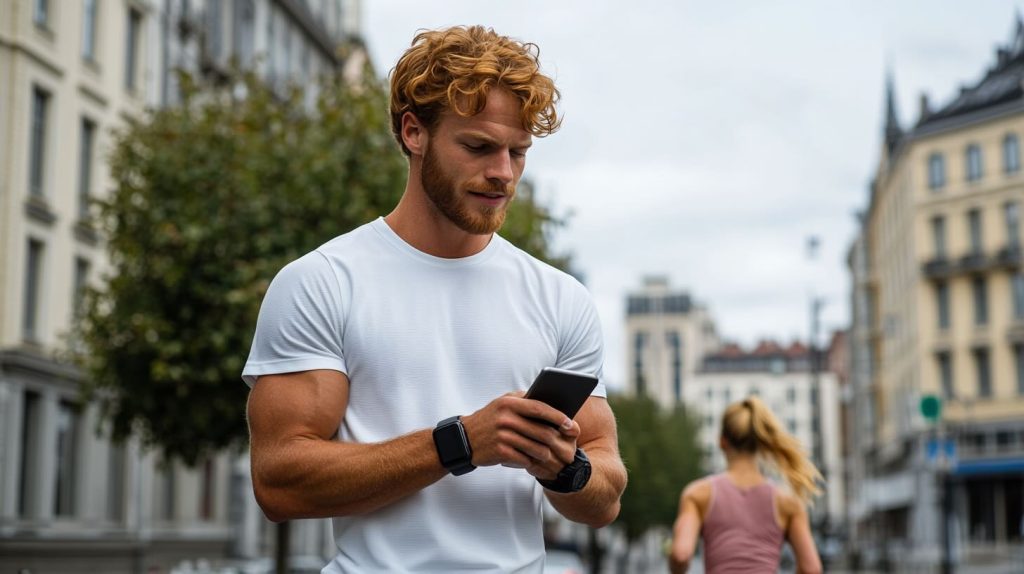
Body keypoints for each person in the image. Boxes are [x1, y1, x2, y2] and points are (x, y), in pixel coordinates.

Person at [242, 25, 627, 573]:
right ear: (413, 132)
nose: (502, 173)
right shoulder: (322, 282)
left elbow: (605, 496)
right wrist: (460, 443)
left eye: (518, 152)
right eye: (478, 146)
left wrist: (566, 469)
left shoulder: (561, 299)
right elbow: (278, 481)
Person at [669, 397, 823, 574]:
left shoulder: (698, 494)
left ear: (722, 442)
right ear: (759, 444)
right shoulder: (788, 502)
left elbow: (681, 555)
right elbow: (812, 568)